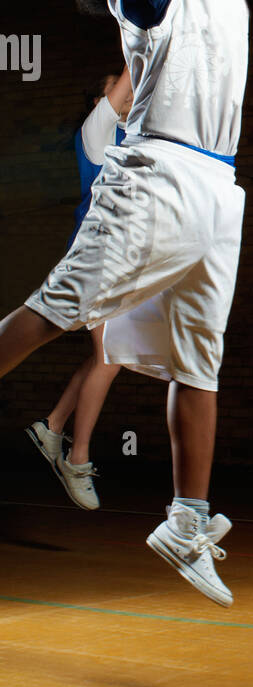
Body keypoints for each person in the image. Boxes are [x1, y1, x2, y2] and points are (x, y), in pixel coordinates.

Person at [0, 0, 253, 606]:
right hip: (154, 177)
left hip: (215, 190)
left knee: (201, 363)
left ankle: (187, 518)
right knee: (54, 309)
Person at [26, 69, 133, 509]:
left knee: (105, 356)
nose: (123, 90)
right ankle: (77, 458)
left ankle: (51, 427)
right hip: (94, 258)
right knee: (110, 357)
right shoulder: (97, 130)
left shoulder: (132, 134)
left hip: (123, 263)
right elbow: (132, 79)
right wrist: (145, 33)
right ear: (98, 100)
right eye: (112, 85)